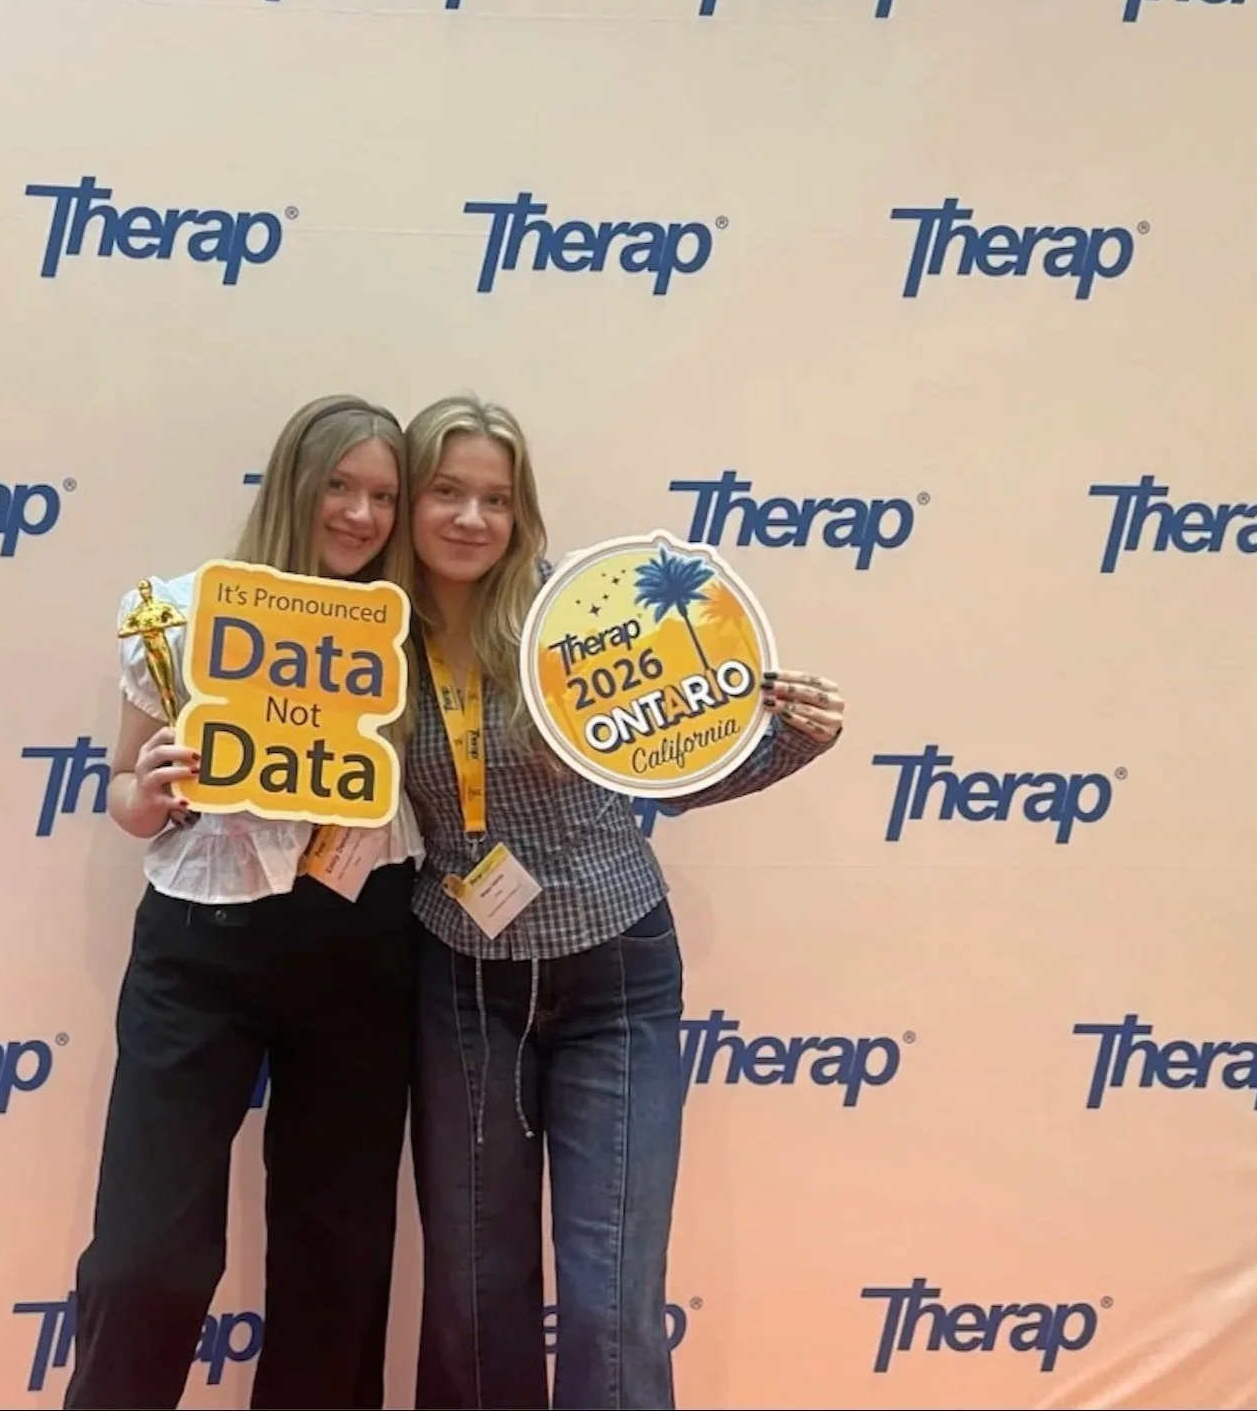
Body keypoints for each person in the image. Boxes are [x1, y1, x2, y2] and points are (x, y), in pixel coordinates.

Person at [397, 395, 847, 1410]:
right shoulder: (372, 639)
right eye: (448, 492)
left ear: (522, 513)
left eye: (496, 499)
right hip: (463, 985)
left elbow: (672, 773)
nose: (471, 518)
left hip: (615, 974)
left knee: (608, 1299)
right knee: (474, 1289)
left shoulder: (576, 619)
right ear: (413, 502)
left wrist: (785, 743)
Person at [65, 395, 425, 1411]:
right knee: (148, 1256)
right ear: (293, 486)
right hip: (201, 947)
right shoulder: (178, 613)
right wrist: (154, 784)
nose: (359, 514)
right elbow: (127, 797)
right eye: (340, 487)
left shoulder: (414, 636)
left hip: (361, 941)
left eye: (383, 496)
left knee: (336, 1255)